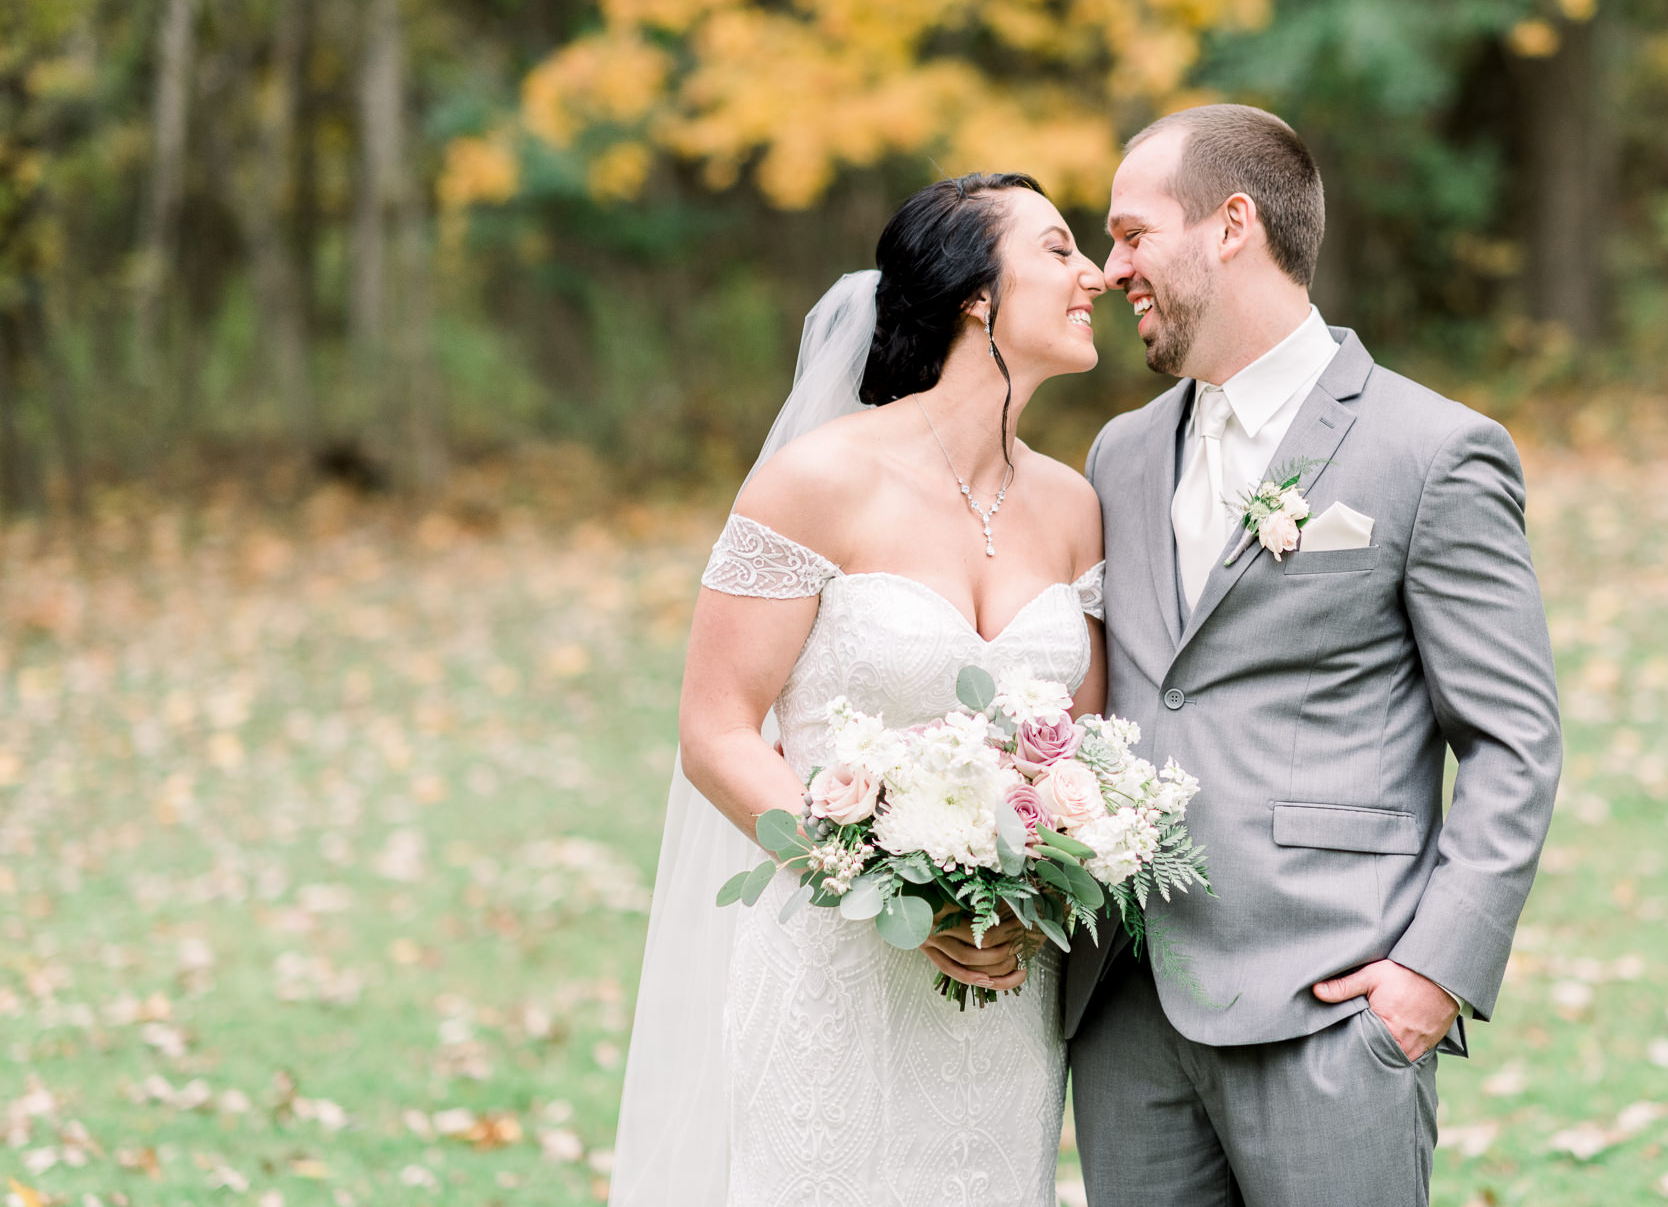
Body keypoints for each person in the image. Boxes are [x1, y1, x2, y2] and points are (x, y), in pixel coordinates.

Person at [1065, 103, 1563, 1207]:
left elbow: (1513, 740)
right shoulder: (1121, 453)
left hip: (1329, 1010)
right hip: (1127, 1012)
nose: (1112, 270)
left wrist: (1434, 973)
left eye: (1133, 234)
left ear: (1232, 223)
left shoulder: (1430, 453)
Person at [608, 173, 1109, 1206]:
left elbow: (1086, 748)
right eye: (1060, 249)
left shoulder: (1072, 506)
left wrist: (1044, 872)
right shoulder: (814, 480)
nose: (1094, 273)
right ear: (978, 293)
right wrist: (877, 883)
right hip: (832, 963)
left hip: (1002, 979)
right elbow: (716, 731)